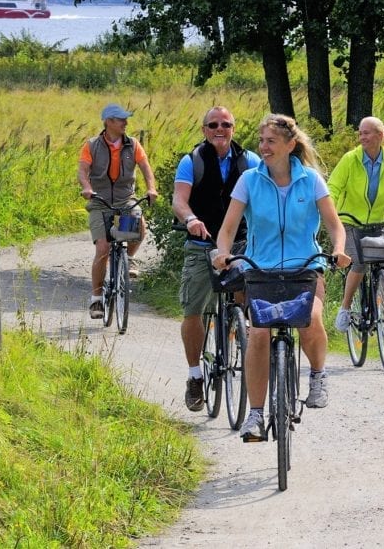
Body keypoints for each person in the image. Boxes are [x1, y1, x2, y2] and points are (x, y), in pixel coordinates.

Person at [211, 113, 350, 440]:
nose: (264, 147)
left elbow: (334, 226)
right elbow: (228, 229)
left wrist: (340, 249)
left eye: (270, 141)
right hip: (261, 270)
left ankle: (318, 375)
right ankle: (256, 415)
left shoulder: (312, 180)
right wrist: (222, 252)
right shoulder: (249, 181)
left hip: (306, 268)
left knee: (312, 319)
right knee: (258, 334)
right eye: (261, 141)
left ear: (290, 144)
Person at [172, 106, 260, 411]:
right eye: (213, 124)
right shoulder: (192, 161)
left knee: (251, 302)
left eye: (226, 124)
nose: (219, 129)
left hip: (241, 242)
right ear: (204, 129)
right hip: (202, 245)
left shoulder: (250, 161)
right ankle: (195, 376)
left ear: (234, 128)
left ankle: (246, 343)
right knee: (194, 309)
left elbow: (266, 195)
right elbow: (179, 200)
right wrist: (191, 219)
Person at [327, 116, 384, 334]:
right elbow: (333, 187)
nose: (362, 137)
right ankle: (345, 309)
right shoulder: (350, 159)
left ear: (380, 135)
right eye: (360, 133)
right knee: (359, 264)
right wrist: (331, 214)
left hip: (378, 222)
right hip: (350, 222)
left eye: (367, 132)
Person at [78, 103, 158, 319]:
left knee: (138, 223)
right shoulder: (92, 145)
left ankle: (126, 258)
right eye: (121, 119)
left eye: (125, 119)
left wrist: (151, 188)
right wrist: (87, 187)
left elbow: (145, 168)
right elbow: (83, 170)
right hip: (99, 201)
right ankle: (96, 299)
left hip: (125, 200)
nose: (126, 122)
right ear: (108, 122)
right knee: (103, 248)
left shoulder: (133, 144)